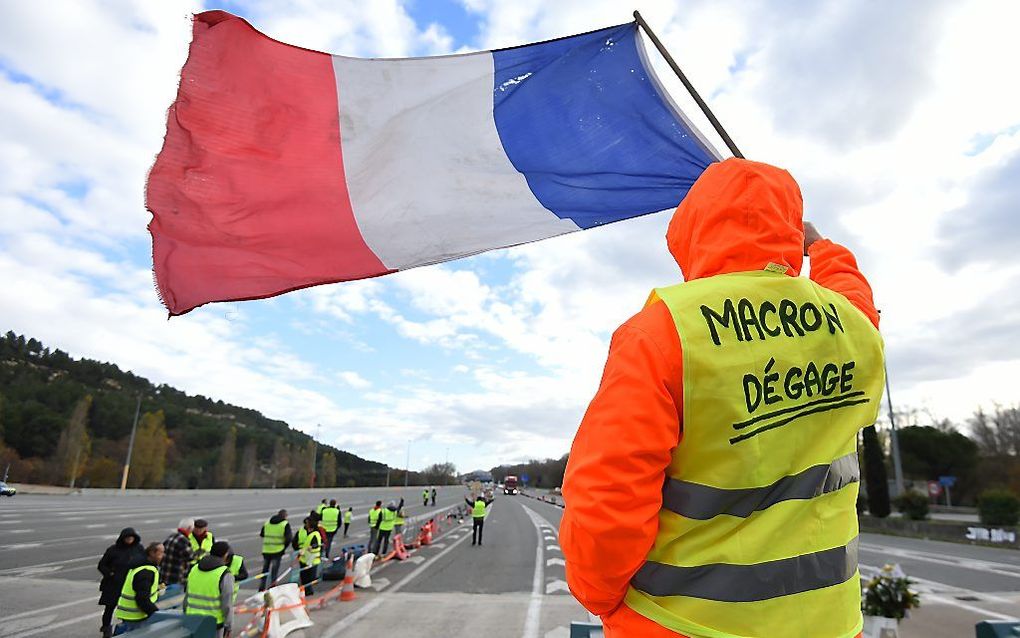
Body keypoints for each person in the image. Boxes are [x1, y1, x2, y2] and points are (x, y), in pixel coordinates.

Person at [559, 159, 884, 638]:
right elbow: (855, 297)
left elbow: (609, 493)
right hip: (831, 624)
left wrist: (600, 596)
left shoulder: (663, 332)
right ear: (792, 228)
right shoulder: (851, 326)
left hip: (682, 624)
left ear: (691, 229)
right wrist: (823, 249)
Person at [97, 527, 145, 638]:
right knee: (109, 608)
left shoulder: (138, 549)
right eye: (127, 538)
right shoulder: (113, 550)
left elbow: (143, 562)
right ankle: (106, 629)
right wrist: (110, 574)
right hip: (113, 585)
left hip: (130, 585)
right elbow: (102, 565)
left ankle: (126, 628)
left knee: (127, 608)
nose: (129, 540)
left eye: (131, 537)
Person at [184, 540, 235, 638]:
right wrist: (229, 626)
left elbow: (187, 597)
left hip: (192, 620)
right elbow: (227, 603)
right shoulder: (224, 574)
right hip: (213, 623)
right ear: (225, 555)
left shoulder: (194, 569)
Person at [113, 542, 164, 634]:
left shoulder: (139, 566)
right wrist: (156, 614)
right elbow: (142, 599)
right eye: (160, 553)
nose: (162, 556)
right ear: (152, 553)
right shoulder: (146, 571)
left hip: (131, 615)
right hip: (136, 617)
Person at [258, 509, 292, 591]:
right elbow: (288, 538)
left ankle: (261, 587)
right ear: (285, 516)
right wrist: (284, 547)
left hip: (266, 549)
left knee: (265, 569)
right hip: (277, 550)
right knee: (274, 570)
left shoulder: (267, 523)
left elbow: (262, 534)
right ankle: (272, 587)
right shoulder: (285, 524)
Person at [160, 519, 194, 594]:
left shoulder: (171, 537)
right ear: (189, 528)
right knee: (174, 599)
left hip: (164, 575)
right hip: (175, 577)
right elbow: (191, 557)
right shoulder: (183, 540)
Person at [293, 517, 321, 595]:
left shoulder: (315, 533)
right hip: (303, 558)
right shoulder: (301, 531)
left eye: (307, 523)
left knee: (310, 576)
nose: (306, 524)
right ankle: (305, 590)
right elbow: (295, 542)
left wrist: (311, 547)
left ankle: (309, 591)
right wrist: (298, 550)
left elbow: (316, 544)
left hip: (312, 559)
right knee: (304, 576)